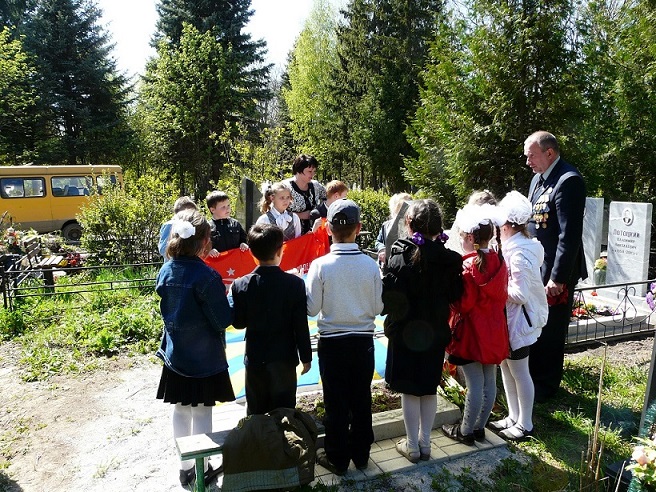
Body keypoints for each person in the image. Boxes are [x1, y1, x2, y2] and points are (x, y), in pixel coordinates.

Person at [155, 209, 235, 487]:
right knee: (201, 411)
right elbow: (222, 320)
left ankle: (185, 467)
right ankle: (203, 467)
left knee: (180, 409)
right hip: (204, 359)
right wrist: (230, 298)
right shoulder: (207, 276)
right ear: (204, 241)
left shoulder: (165, 270)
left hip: (176, 354)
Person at [306, 199, 383, 475]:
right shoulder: (370, 265)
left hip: (332, 342)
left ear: (328, 229)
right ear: (358, 228)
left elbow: (311, 309)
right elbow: (378, 307)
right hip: (362, 341)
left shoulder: (320, 265)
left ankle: (337, 459)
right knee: (361, 398)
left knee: (335, 402)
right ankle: (361, 455)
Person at [382, 199, 463, 462]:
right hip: (435, 332)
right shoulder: (450, 259)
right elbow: (456, 295)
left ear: (409, 223)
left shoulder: (400, 252)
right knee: (428, 388)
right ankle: (425, 443)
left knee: (409, 390)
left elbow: (390, 297)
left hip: (405, 333)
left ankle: (412, 445)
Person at [524, 131, 587, 402]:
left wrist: (558, 278)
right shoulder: (538, 179)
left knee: (551, 330)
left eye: (532, 156)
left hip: (555, 273)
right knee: (537, 325)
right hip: (537, 267)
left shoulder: (568, 180)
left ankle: (546, 387)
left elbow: (568, 235)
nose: (528, 162)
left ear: (549, 153)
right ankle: (532, 379)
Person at [442, 204, 508, 445]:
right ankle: (479, 427)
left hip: (471, 334)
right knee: (489, 381)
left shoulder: (468, 266)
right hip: (494, 331)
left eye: (462, 236)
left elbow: (463, 304)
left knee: (474, 384)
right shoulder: (499, 261)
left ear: (470, 237)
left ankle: (466, 430)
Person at [231, 223, 313, 415]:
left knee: (257, 412)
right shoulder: (294, 284)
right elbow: (300, 325)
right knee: (285, 412)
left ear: (252, 253)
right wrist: (306, 357)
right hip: (284, 357)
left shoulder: (240, 284)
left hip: (255, 357)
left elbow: (238, 323)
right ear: (280, 250)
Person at [490, 191, 548, 441]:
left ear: (507, 225)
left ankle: (526, 423)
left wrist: (495, 288)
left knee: (520, 371)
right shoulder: (514, 246)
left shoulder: (519, 252)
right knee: (506, 367)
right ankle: (513, 416)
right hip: (509, 320)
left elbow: (521, 294)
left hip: (519, 321)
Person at [285, 154, 327, 234]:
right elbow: (276, 213)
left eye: (314, 171)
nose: (312, 174)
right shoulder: (285, 188)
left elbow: (329, 198)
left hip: (315, 234)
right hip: (292, 235)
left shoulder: (316, 186)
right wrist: (301, 215)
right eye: (309, 171)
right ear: (299, 170)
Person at [205, 190, 249, 256]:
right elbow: (202, 248)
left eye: (228, 205)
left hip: (235, 260)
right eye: (223, 207)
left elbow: (245, 239)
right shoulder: (207, 228)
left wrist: (243, 244)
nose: (228, 209)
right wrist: (209, 251)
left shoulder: (235, 224)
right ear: (212, 210)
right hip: (216, 261)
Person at [375, 192, 412, 265]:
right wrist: (382, 249)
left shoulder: (414, 225)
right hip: (388, 263)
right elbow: (378, 241)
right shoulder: (386, 225)